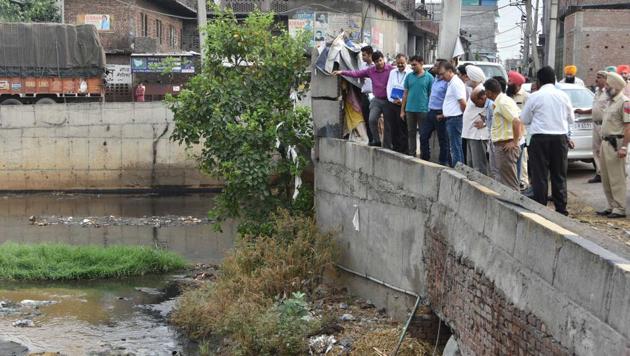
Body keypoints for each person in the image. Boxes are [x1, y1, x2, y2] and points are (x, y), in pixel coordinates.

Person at [520, 66, 575, 215]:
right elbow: (571, 119)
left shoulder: (534, 97)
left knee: (540, 175)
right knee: (559, 175)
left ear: (538, 81)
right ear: (554, 80)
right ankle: (561, 210)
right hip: (560, 138)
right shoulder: (563, 96)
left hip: (540, 139)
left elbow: (524, 119)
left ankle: (540, 209)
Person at [333, 51, 393, 147]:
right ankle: (376, 140)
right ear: (374, 62)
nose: (379, 63)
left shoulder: (391, 69)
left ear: (383, 59)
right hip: (376, 99)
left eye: (380, 60)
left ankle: (387, 145)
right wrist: (342, 72)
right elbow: (356, 73)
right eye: (377, 61)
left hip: (387, 100)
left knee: (388, 124)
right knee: (372, 120)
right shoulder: (371, 70)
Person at [596, 72, 630, 218]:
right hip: (605, 142)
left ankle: (620, 208)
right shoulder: (610, 102)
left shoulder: (625, 102)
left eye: (608, 85)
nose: (605, 88)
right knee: (606, 176)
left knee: (617, 177)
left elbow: (628, 126)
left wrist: (624, 147)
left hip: (616, 143)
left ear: (615, 86)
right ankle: (611, 205)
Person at [483, 78, 522, 190]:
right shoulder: (500, 102)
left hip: (506, 146)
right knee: (502, 179)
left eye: (486, 92)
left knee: (509, 182)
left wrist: (514, 142)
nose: (485, 94)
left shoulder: (503, 102)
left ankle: (515, 205)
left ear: (489, 92)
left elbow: (517, 121)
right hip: (500, 145)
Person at [575, 71, 610, 183]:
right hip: (595, 124)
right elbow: (595, 107)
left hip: (605, 124)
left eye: (599, 77)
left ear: (605, 79)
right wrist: (584, 111)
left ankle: (609, 174)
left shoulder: (610, 92)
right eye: (597, 77)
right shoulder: (596, 92)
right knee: (596, 150)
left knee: (606, 151)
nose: (596, 79)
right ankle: (599, 173)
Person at [400, 55, 433, 157]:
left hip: (423, 110)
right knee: (411, 133)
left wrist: (429, 109)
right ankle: (412, 154)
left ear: (421, 63)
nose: (413, 67)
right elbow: (405, 94)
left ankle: (424, 155)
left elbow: (431, 95)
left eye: (415, 65)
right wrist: (402, 110)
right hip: (410, 109)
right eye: (411, 65)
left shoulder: (429, 78)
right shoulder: (409, 77)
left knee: (423, 134)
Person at [421, 60, 450, 165]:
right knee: (423, 136)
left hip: (440, 113)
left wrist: (444, 113)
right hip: (431, 112)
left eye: (436, 66)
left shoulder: (446, 83)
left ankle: (443, 161)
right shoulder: (435, 80)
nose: (434, 67)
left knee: (443, 139)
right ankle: (425, 158)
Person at [461, 65, 489, 174]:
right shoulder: (475, 90)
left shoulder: (481, 91)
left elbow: (491, 109)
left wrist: (485, 122)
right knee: (471, 164)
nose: (466, 79)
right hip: (470, 133)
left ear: (473, 78)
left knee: (479, 167)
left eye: (468, 76)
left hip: (477, 135)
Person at [384, 54, 412, 153]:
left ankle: (404, 150)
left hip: (404, 104)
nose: (400, 65)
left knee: (403, 128)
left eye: (402, 63)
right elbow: (389, 87)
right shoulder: (392, 72)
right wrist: (392, 100)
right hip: (392, 103)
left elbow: (409, 90)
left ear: (406, 62)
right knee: (393, 126)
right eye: (398, 63)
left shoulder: (410, 73)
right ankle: (395, 149)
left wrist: (402, 101)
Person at [507, 71, 530, 190]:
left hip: (521, 132)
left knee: (523, 159)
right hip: (508, 132)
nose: (508, 83)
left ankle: (523, 182)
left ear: (518, 85)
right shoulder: (507, 95)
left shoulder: (526, 96)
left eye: (510, 82)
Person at [442, 62, 467, 167]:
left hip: (455, 119)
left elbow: (462, 103)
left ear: (450, 71)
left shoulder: (456, 83)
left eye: (443, 74)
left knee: (455, 147)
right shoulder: (451, 83)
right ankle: (459, 167)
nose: (442, 76)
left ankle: (458, 169)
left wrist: (460, 116)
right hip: (452, 119)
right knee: (455, 146)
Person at [358, 46, 376, 144]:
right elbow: (358, 77)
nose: (362, 57)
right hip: (365, 95)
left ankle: (376, 138)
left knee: (373, 119)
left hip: (374, 96)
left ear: (370, 55)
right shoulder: (362, 65)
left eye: (364, 55)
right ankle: (370, 139)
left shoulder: (376, 65)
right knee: (366, 118)